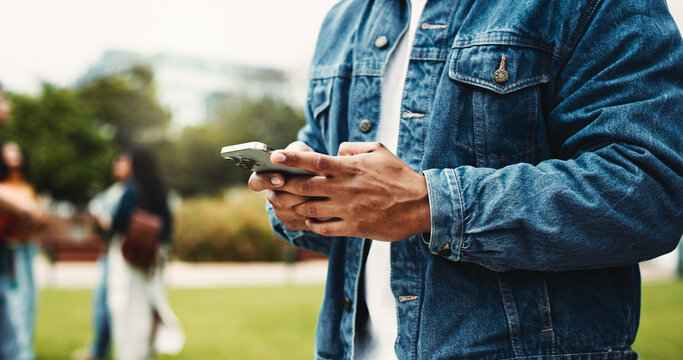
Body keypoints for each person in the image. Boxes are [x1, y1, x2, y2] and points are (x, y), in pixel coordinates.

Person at [248, 0, 683, 359]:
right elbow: (358, 226)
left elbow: (650, 188)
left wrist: (430, 205)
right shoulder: (346, 18)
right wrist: (300, 202)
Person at [107, 148, 183, 360]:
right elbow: (167, 228)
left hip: (129, 258)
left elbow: (118, 223)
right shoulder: (160, 190)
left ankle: (130, 354)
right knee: (151, 305)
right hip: (153, 258)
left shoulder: (132, 189)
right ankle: (147, 351)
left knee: (127, 308)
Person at [74, 153, 132, 360]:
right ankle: (100, 348)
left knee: (113, 304)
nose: (117, 166)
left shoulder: (132, 192)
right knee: (102, 304)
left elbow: (122, 225)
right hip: (109, 254)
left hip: (123, 256)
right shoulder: (112, 193)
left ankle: (104, 350)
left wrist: (107, 222)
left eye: (123, 162)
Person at [0, 142, 44, 360]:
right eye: (8, 151)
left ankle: (21, 350)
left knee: (26, 300)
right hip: (10, 248)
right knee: (13, 301)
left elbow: (38, 219)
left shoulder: (27, 186)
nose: (13, 156)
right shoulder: (4, 186)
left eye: (17, 151)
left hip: (26, 247)